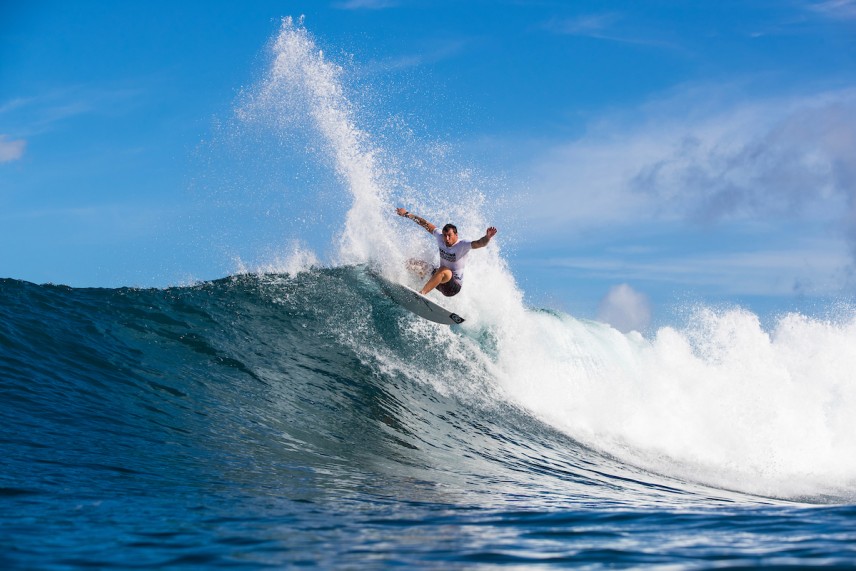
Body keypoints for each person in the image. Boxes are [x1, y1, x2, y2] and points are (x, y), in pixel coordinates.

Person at [396, 206, 498, 297]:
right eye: (445, 235)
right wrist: (406, 214)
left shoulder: (463, 244)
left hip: (452, 287)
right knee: (413, 263)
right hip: (438, 282)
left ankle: (421, 294)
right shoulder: (440, 237)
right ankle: (402, 283)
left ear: (456, 235)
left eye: (450, 235)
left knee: (443, 269)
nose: (447, 238)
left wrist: (487, 237)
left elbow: (480, 243)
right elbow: (425, 223)